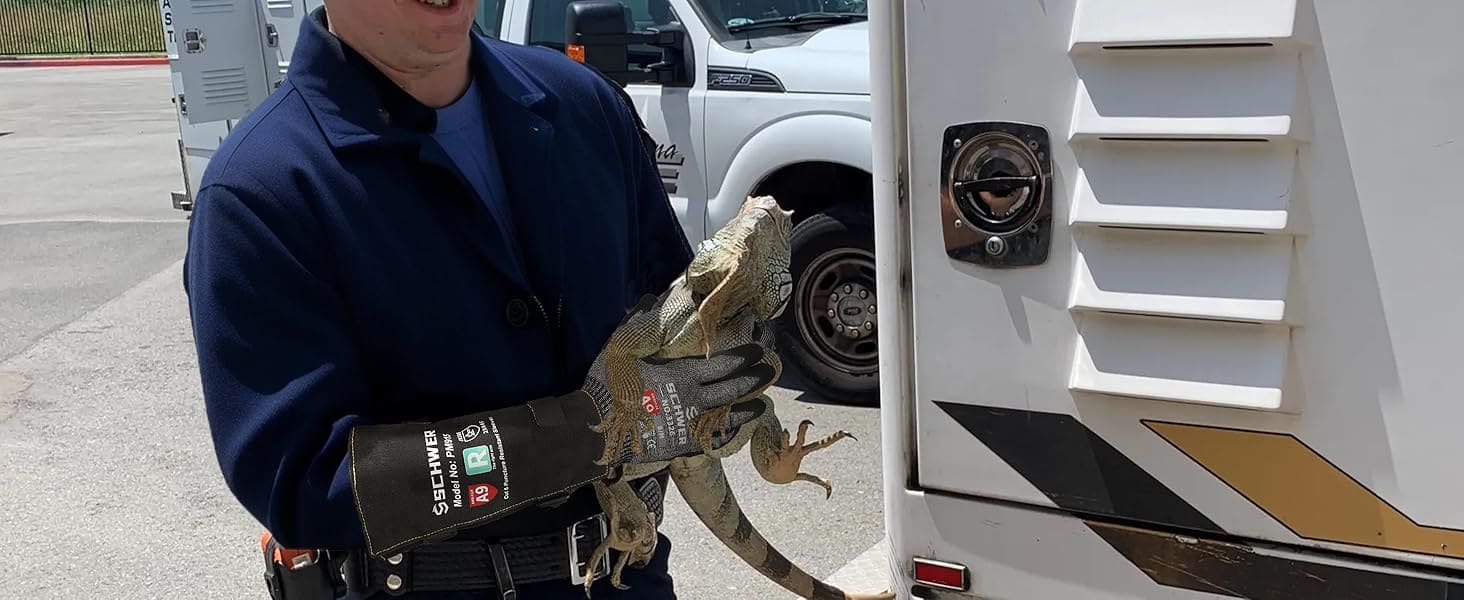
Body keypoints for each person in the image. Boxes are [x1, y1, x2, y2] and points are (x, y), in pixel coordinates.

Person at [180, 1, 781, 598]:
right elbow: (303, 481)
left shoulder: (584, 104)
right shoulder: (261, 189)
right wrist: (588, 434)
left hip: (625, 574)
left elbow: (678, 308)